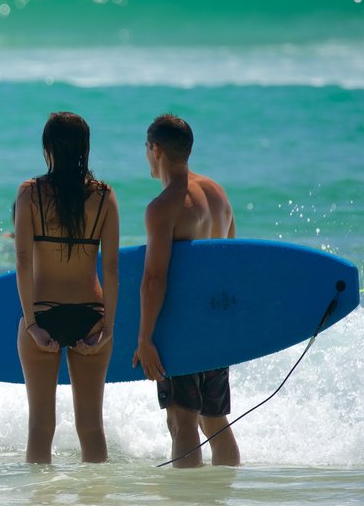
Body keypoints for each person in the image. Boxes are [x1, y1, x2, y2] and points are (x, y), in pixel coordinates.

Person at [132, 114, 241, 468]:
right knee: (214, 419)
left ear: (156, 149)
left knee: (181, 421)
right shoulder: (218, 194)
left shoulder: (164, 206)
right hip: (216, 327)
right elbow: (230, 261)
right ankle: (224, 491)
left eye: (147, 149)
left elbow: (154, 279)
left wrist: (145, 338)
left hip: (182, 329)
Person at [14, 111, 119, 464]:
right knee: (91, 429)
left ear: (48, 148)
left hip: (43, 314)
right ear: (85, 148)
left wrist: (31, 324)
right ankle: (96, 499)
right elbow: (112, 267)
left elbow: (24, 263)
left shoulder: (30, 194)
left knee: (40, 428)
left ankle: (41, 501)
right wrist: (107, 329)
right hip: (91, 314)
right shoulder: (104, 196)